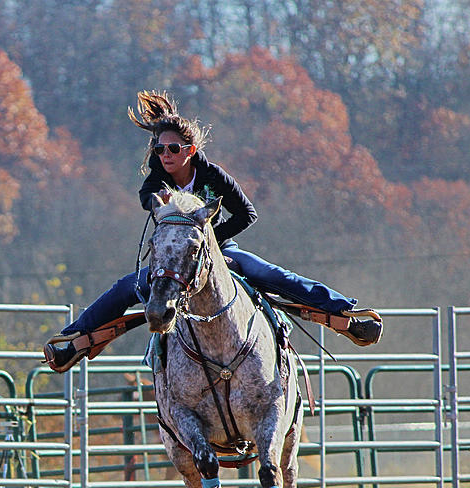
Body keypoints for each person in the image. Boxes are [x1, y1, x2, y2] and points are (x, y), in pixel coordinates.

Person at [43, 90, 382, 373]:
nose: (165, 156)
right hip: (174, 261)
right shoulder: (158, 179)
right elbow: (146, 195)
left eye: (173, 149)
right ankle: (73, 342)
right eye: (160, 150)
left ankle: (345, 315)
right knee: (124, 288)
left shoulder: (212, 175)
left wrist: (210, 244)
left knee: (271, 274)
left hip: (220, 251)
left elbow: (247, 213)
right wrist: (156, 201)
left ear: (190, 150)